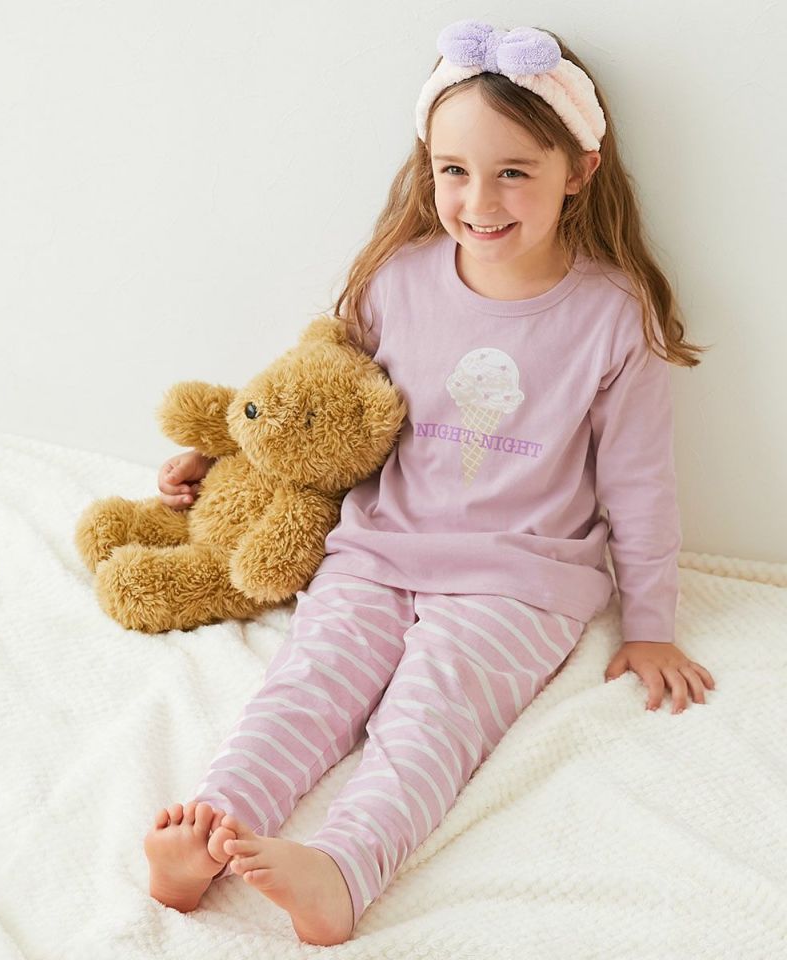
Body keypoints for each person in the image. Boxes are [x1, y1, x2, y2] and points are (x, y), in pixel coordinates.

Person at [143, 19, 716, 945]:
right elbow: (319, 405)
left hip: (518, 580)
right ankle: (213, 827)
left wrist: (651, 625)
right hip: (378, 550)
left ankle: (343, 871)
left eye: (513, 172)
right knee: (306, 686)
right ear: (429, 167)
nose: (479, 200)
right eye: (454, 170)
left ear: (580, 169)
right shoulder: (394, 281)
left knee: (429, 721)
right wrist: (227, 459)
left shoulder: (614, 316)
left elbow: (641, 486)